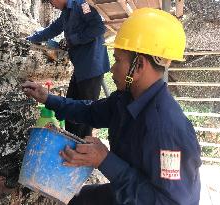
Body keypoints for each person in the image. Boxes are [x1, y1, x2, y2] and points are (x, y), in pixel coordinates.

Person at [23, 8, 201, 205]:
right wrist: (48, 98)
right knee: (75, 201)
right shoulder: (126, 99)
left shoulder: (167, 128)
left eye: (117, 60)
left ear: (139, 65)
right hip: (129, 190)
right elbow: (90, 111)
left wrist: (104, 160)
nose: (111, 68)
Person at [26, 0, 110, 138]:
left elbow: (98, 28)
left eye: (51, 1)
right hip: (80, 69)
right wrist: (32, 38)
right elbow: (53, 29)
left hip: (92, 68)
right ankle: (70, 140)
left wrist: (72, 40)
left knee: (86, 111)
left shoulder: (83, 5)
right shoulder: (65, 13)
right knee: (71, 105)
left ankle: (82, 146)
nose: (52, 5)